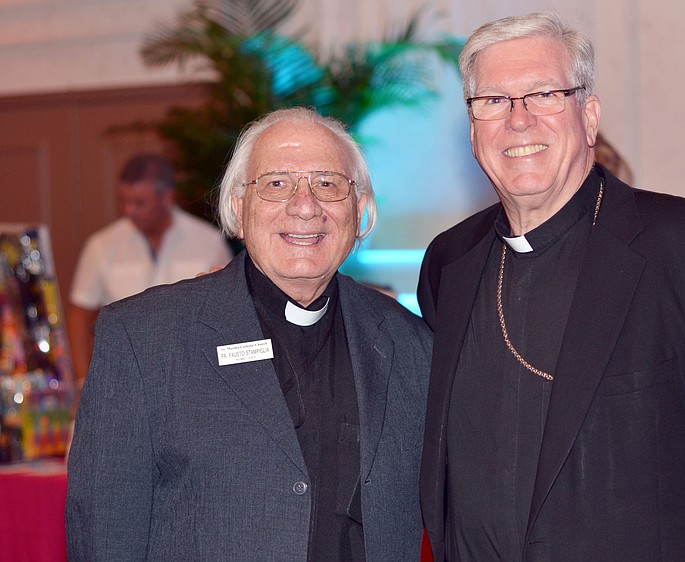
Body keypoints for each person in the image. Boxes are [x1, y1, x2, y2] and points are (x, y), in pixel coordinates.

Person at [417, 12, 685, 561]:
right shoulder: (447, 265)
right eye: (493, 102)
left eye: (544, 94)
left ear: (589, 116)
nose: (518, 120)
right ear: (473, 130)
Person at [65, 108, 432, 561]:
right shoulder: (144, 340)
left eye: (329, 184)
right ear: (238, 209)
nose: (305, 205)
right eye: (276, 184)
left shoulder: (411, 346)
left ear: (359, 211)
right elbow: (104, 538)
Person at [66, 153, 232, 383]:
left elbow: (227, 314)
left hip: (191, 378)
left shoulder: (208, 242)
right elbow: (79, 315)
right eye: (124, 201)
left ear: (167, 197)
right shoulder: (101, 245)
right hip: (122, 379)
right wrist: (83, 379)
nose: (128, 210)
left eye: (139, 203)